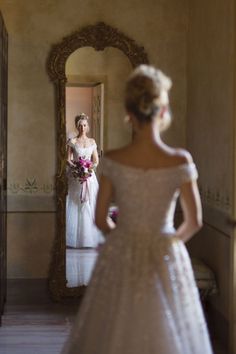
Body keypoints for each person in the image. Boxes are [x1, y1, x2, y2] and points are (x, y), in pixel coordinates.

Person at [62, 66, 213, 354]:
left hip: (123, 251)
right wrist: (166, 244)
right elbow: (194, 221)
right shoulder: (180, 159)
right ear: (163, 110)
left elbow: (100, 217)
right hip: (166, 251)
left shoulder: (115, 159)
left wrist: (124, 241)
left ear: (129, 112)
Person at [66, 113, 101, 248]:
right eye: (80, 125)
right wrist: (77, 167)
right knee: (74, 204)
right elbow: (68, 159)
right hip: (76, 176)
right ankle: (73, 239)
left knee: (88, 204)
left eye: (84, 125)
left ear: (88, 127)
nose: (82, 128)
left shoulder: (92, 142)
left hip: (89, 177)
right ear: (77, 126)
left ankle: (88, 239)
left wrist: (87, 168)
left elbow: (96, 160)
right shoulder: (72, 142)